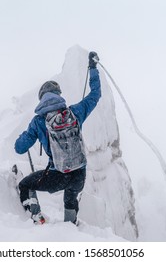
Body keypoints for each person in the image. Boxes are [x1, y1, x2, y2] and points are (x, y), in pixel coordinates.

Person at [14, 51, 101, 224]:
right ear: (58, 95)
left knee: (26, 185)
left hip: (57, 176)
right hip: (79, 175)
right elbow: (95, 94)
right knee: (71, 197)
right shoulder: (75, 112)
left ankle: (37, 217)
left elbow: (19, 148)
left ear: (42, 99)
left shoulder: (38, 122)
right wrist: (93, 68)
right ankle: (71, 226)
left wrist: (24, 136)